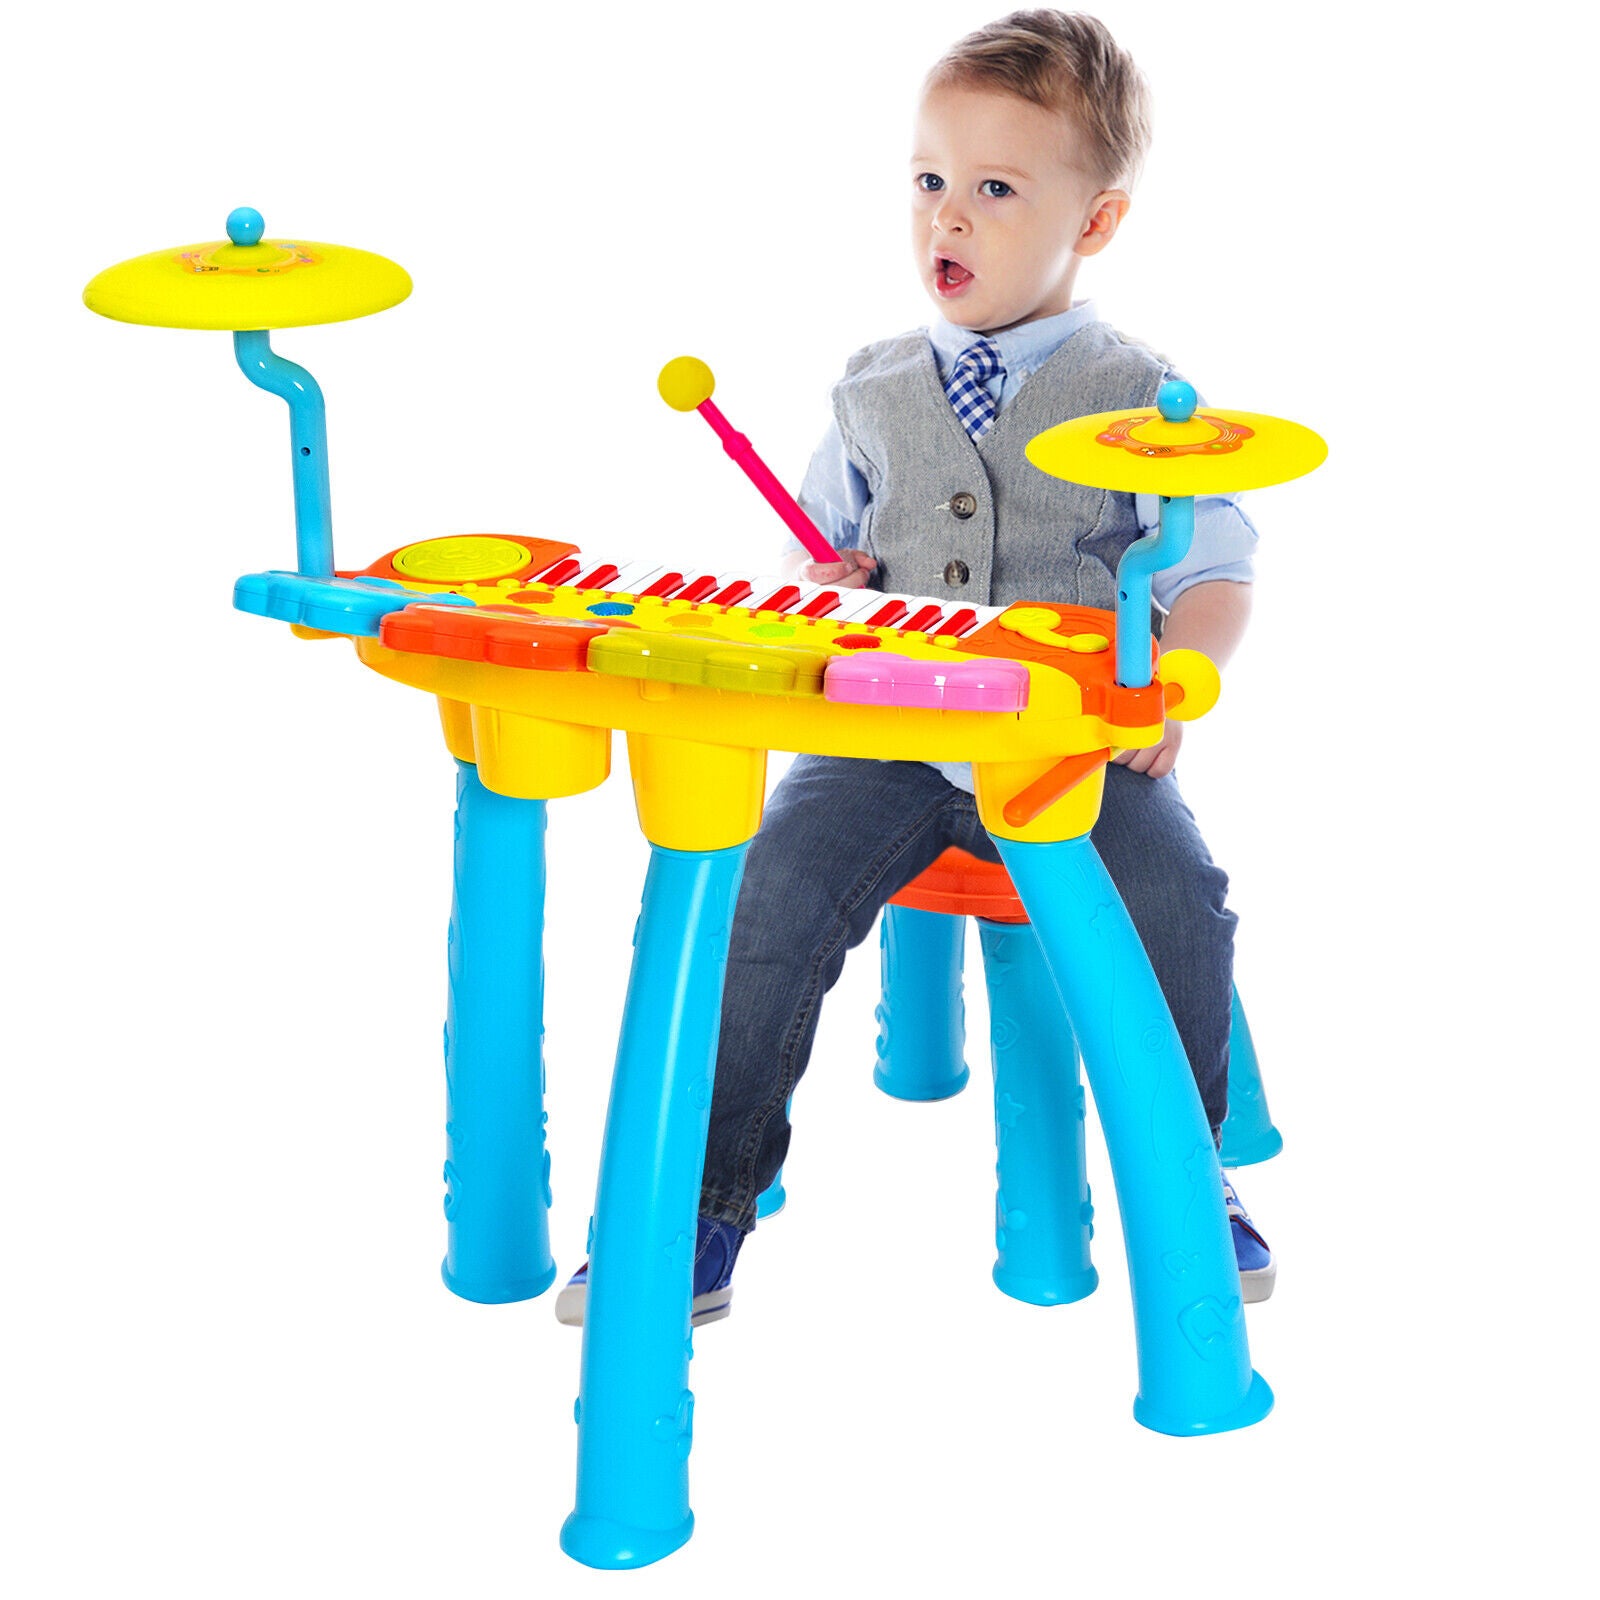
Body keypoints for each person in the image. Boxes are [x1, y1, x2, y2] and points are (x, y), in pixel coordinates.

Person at [559, 7, 1274, 1327]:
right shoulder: (870, 391)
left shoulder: (1144, 395)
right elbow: (815, 558)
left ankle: (1188, 1180)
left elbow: (1216, 570)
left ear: (1096, 222)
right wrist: (823, 585)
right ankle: (701, 1203)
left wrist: (1172, 685)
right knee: (760, 897)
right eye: (930, 180)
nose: (948, 214)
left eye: (996, 190)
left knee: (1181, 898)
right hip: (886, 745)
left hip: (1069, 753)